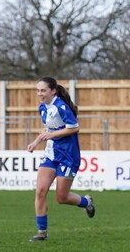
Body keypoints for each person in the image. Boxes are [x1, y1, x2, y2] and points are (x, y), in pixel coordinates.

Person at [25, 76, 95, 241]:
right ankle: (42, 232)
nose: (39, 94)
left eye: (43, 90)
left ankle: (86, 202)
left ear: (53, 91)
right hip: (51, 154)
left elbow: (74, 127)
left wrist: (52, 135)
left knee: (61, 197)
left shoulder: (61, 107)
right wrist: (35, 142)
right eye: (38, 91)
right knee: (40, 191)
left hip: (68, 156)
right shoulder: (43, 108)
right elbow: (48, 128)